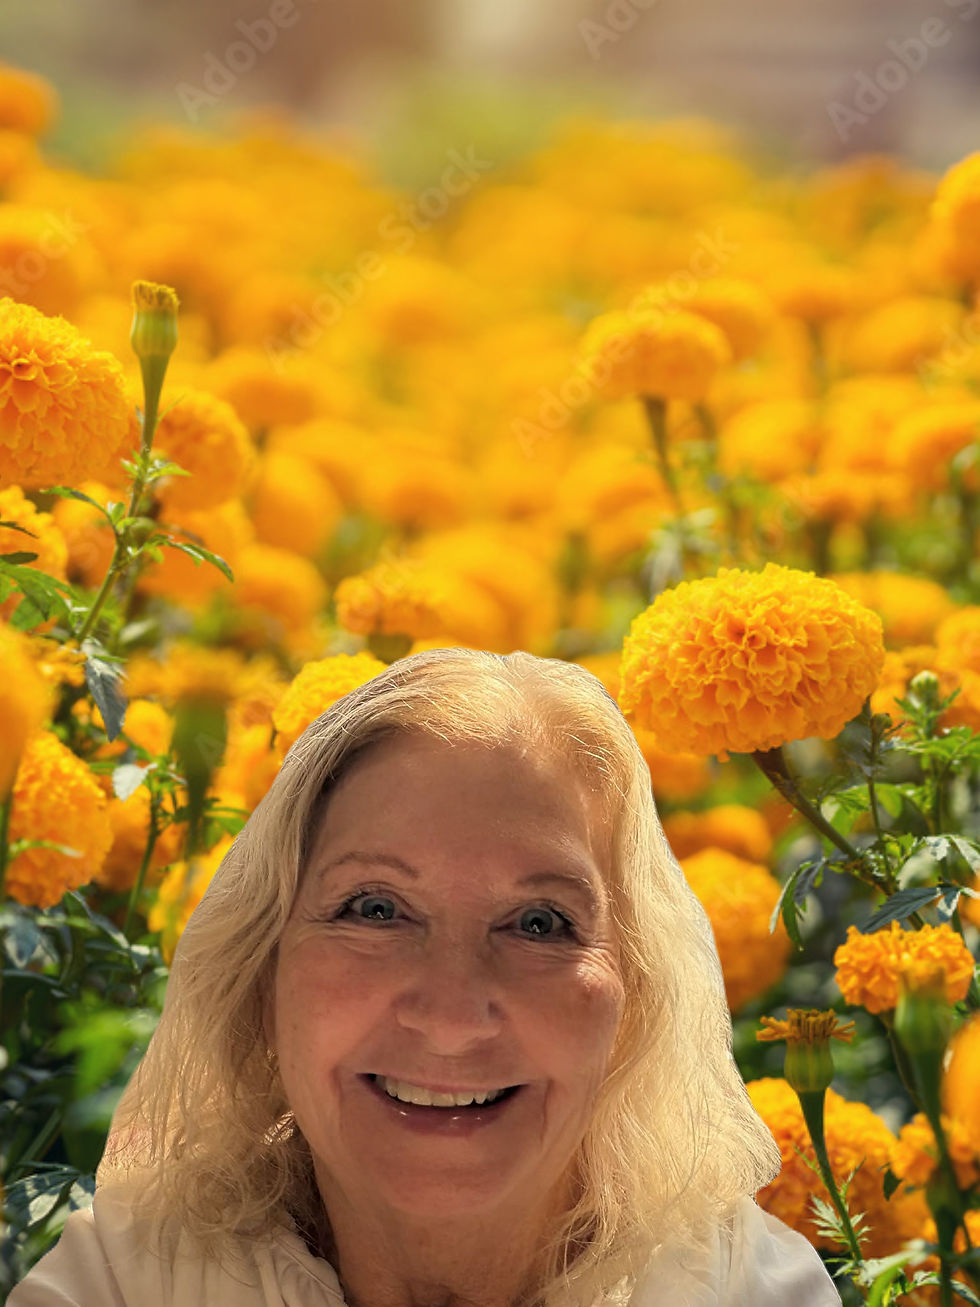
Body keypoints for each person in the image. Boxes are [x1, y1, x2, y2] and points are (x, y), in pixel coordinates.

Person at [10, 648, 842, 1307]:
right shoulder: (121, 1288)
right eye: (375, 909)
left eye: (541, 923)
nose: (450, 1016)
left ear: (638, 996)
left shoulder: (749, 1292)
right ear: (259, 970)